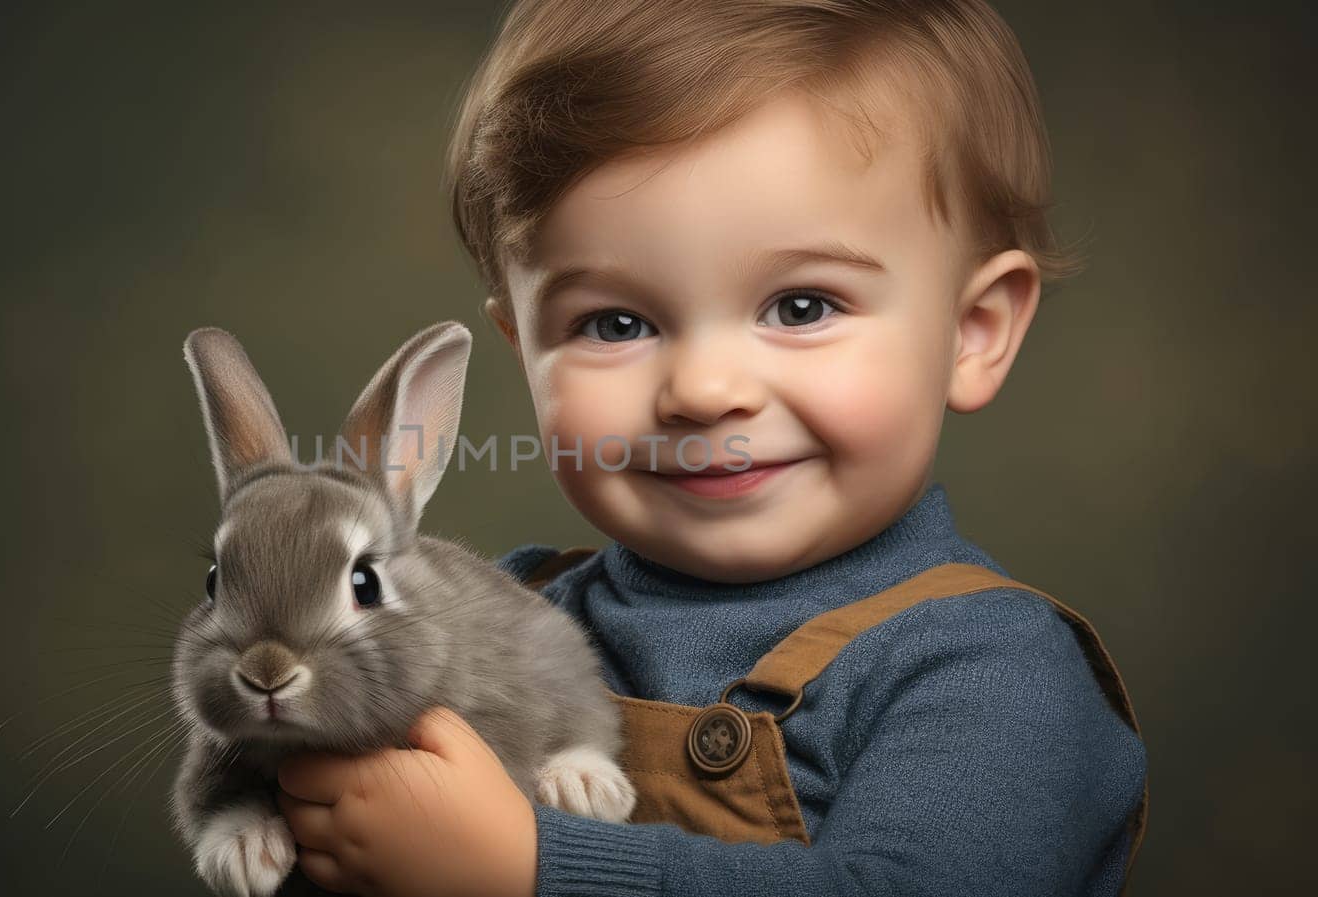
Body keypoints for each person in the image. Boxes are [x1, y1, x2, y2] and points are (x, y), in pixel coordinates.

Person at [274, 2, 1148, 895]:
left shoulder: (996, 673)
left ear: (973, 330)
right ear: (523, 351)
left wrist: (532, 868)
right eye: (615, 323)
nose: (701, 389)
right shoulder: (492, 622)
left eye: (801, 307)